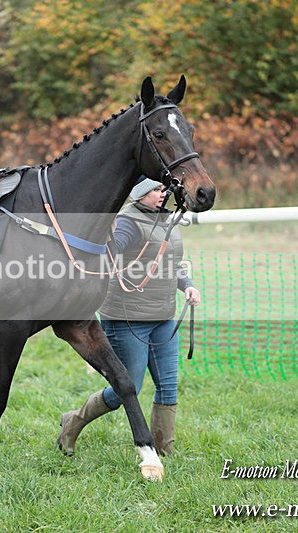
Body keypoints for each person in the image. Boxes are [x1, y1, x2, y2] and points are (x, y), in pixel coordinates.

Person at [57, 176, 201, 456]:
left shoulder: (167, 219)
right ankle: (73, 421)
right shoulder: (128, 222)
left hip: (163, 317)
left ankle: (164, 451)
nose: (163, 194)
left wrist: (188, 285)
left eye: (164, 189)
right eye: (156, 189)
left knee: (168, 386)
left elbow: (171, 262)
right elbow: (109, 253)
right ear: (139, 194)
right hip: (128, 319)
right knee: (128, 388)